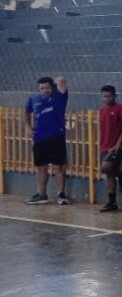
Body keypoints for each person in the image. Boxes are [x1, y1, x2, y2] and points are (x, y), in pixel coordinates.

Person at [24, 75, 71, 206]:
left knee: (58, 167)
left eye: (47, 88)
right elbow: (27, 111)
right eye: (42, 88)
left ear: (52, 87)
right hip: (39, 138)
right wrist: (28, 126)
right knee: (41, 167)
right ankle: (41, 194)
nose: (44, 90)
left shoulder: (59, 96)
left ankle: (61, 194)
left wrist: (55, 84)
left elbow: (61, 80)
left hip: (56, 137)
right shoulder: (34, 99)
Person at [98, 85, 122, 213]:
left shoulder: (120, 108)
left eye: (109, 96)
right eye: (104, 96)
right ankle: (112, 202)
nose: (106, 99)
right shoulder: (102, 110)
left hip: (118, 146)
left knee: (106, 166)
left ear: (114, 96)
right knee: (108, 173)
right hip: (105, 145)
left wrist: (119, 142)